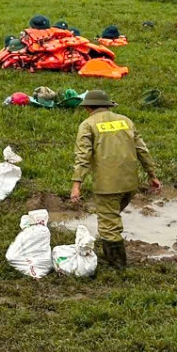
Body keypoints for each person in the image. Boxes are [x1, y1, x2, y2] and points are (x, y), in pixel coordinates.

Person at [70, 89, 161, 270]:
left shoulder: (88, 125)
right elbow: (142, 150)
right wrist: (152, 175)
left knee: (108, 224)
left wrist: (76, 185)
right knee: (111, 217)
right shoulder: (125, 121)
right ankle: (113, 250)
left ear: (88, 107)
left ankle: (117, 266)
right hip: (130, 184)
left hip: (108, 186)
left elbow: (83, 158)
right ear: (108, 105)